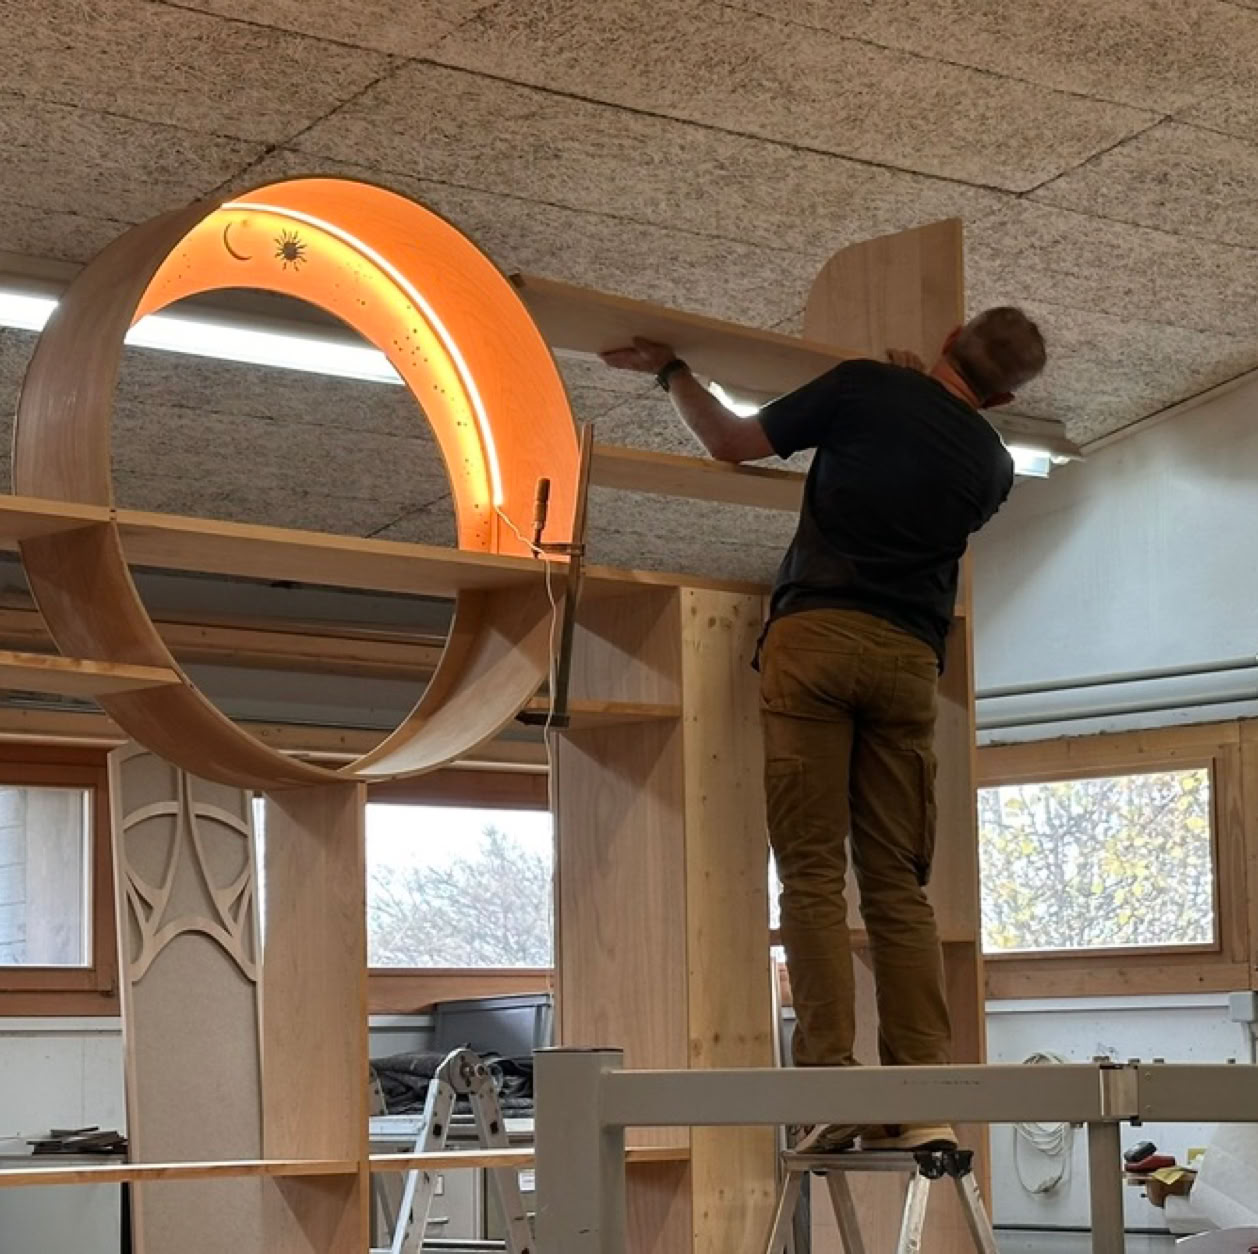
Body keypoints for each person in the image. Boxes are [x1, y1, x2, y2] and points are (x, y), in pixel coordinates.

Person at [601, 308, 1047, 1153]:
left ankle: (830, 1088)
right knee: (897, 889)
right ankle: (923, 1096)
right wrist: (928, 393)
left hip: (815, 641)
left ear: (948, 336)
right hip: (909, 663)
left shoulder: (866, 387)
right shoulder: (994, 466)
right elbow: (931, 452)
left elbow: (731, 442)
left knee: (811, 875)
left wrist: (672, 373)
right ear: (1000, 395)